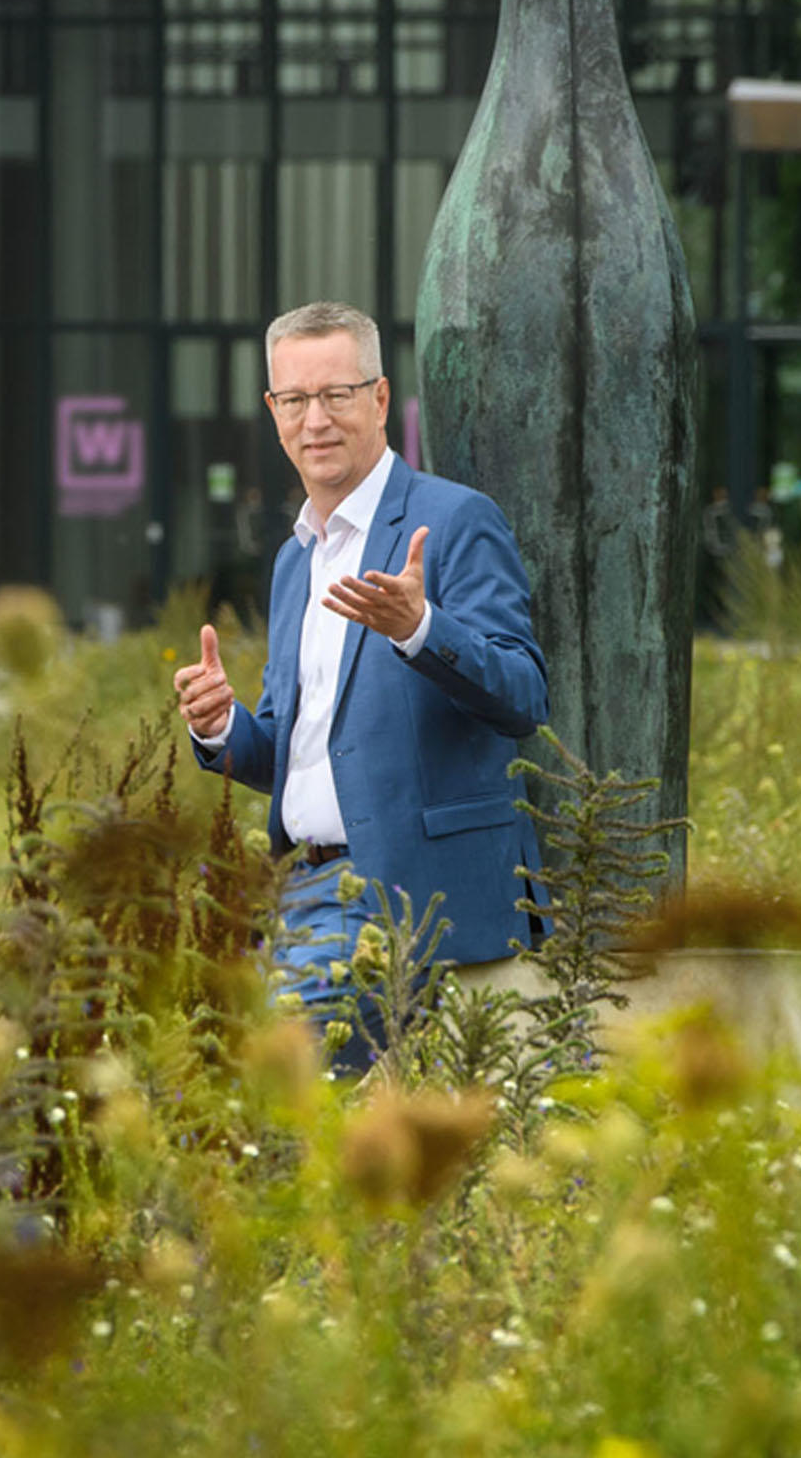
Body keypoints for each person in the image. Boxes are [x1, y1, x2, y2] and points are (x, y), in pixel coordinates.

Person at [173, 301, 548, 1069]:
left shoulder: (453, 521)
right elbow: (299, 754)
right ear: (273, 413)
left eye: (336, 395)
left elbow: (523, 696)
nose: (315, 420)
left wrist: (420, 629)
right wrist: (221, 727)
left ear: (379, 399)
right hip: (303, 894)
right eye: (295, 400)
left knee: (272, 1097)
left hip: (408, 891)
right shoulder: (295, 561)